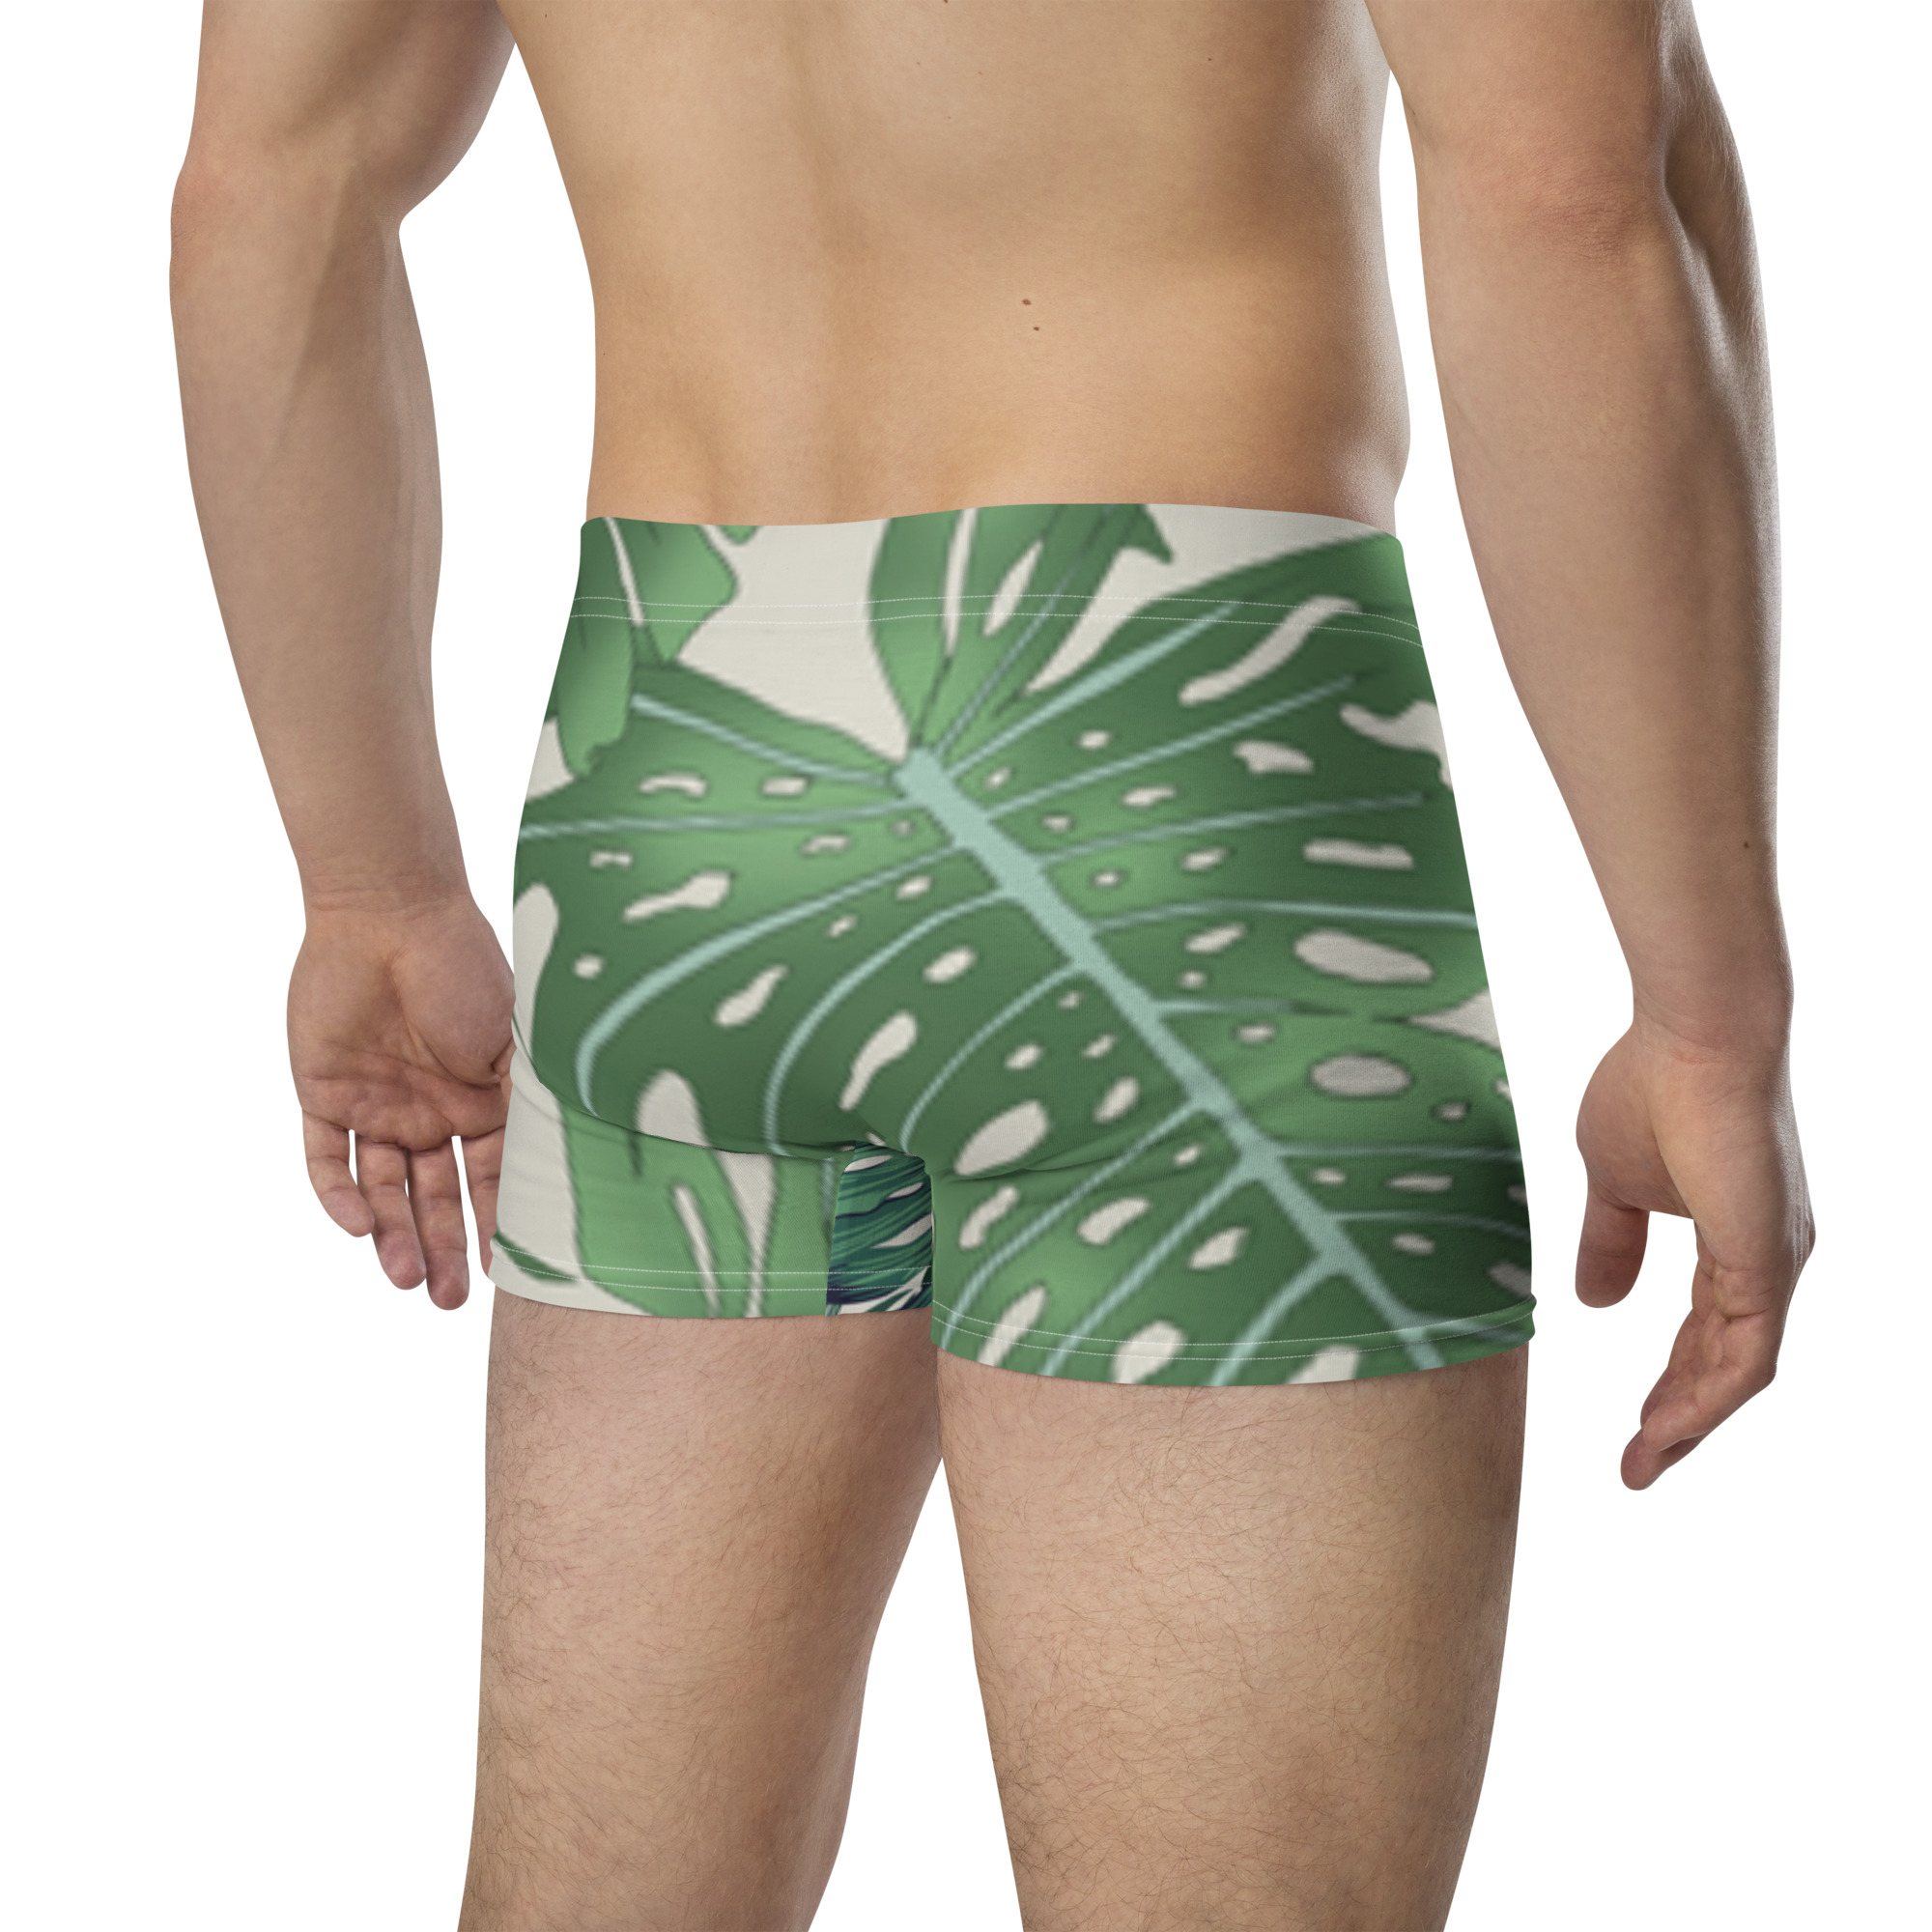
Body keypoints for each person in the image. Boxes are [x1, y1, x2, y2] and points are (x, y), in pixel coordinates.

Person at [169, 1, 1813, 1925]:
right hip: (1176, 777)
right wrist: (1709, 1005)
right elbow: (1569, 191)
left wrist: (371, 886)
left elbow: (271, 195)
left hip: (681, 775)